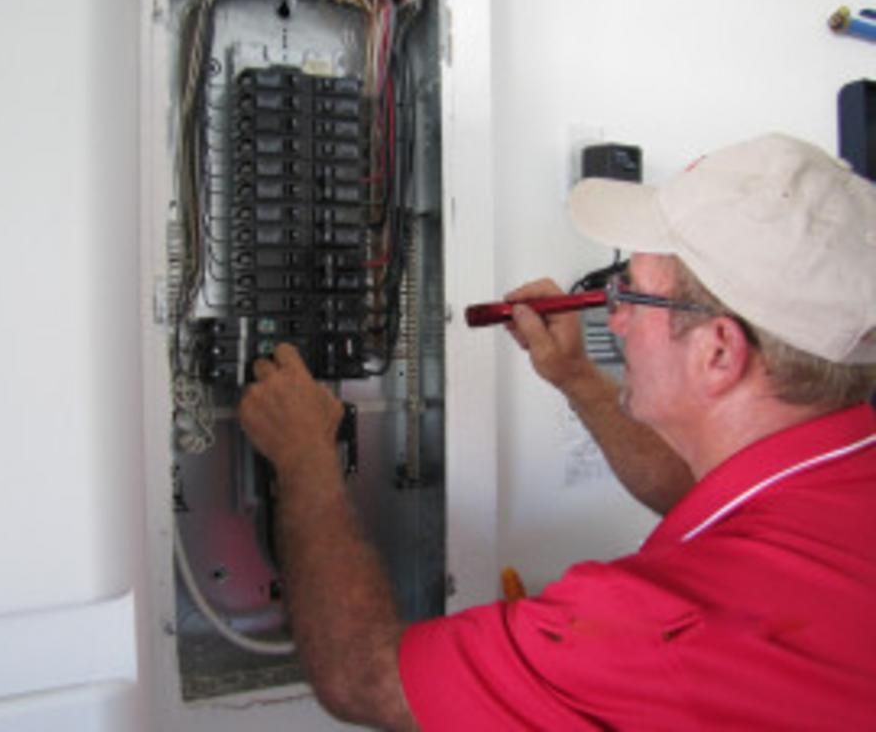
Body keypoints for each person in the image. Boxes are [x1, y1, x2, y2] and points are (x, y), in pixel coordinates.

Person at [237, 133, 876, 730]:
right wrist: (575, 376)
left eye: (631, 290)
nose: (614, 315)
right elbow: (704, 500)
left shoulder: (659, 632)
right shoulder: (839, 479)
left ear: (718, 352)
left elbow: (366, 679)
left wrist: (304, 460)